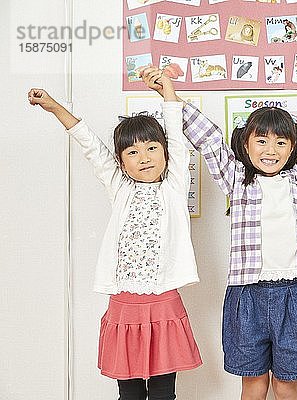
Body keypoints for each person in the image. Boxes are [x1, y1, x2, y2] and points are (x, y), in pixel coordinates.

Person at [142, 65, 297, 400]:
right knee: (254, 383)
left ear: (292, 147)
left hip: (294, 295)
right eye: (261, 141)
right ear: (246, 143)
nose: (270, 150)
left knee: (287, 384)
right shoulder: (236, 179)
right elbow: (209, 137)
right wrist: (168, 92)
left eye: (280, 142)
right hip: (246, 295)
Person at [28, 72, 202, 400]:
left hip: (163, 303)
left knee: (164, 395)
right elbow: (90, 144)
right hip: (124, 305)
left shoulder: (175, 187)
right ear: (121, 163)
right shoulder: (120, 188)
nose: (145, 157)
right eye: (133, 152)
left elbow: (177, 137)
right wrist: (53, 107)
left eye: (152, 148)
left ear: (165, 154)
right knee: (130, 396)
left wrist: (168, 92)